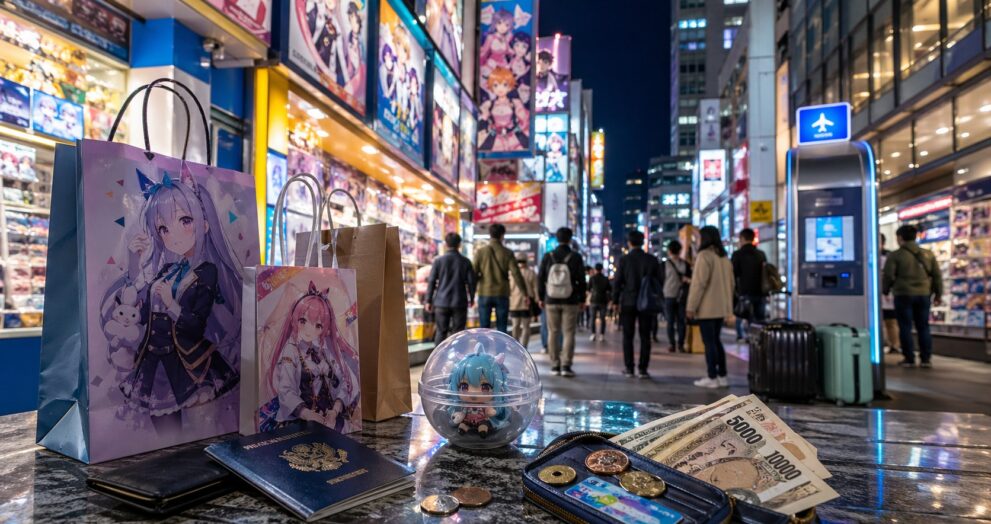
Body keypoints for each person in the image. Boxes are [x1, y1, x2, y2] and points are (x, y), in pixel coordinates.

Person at [883, 225, 944, 368]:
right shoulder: (927, 254)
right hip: (923, 294)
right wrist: (938, 294)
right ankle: (925, 359)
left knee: (905, 326)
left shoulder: (896, 255)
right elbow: (937, 276)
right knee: (923, 326)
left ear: (900, 238)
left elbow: (889, 275)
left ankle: (909, 358)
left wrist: (885, 290)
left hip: (903, 294)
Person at [611, 230, 662, 379]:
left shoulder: (624, 260)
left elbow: (618, 282)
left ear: (629, 243)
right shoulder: (652, 260)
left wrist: (615, 301)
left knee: (628, 336)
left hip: (629, 301)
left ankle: (629, 368)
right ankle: (643, 369)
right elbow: (659, 281)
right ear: (643, 242)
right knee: (646, 336)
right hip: (647, 302)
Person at [688, 226, 734, 389]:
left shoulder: (704, 256)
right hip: (721, 307)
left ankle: (711, 376)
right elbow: (731, 284)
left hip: (707, 307)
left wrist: (691, 306)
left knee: (709, 342)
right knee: (716, 341)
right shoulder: (723, 257)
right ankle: (722, 375)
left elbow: (699, 284)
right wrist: (729, 309)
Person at [538, 227, 587, 377]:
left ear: (557, 239)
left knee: (553, 332)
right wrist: (582, 299)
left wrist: (541, 297)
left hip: (551, 299)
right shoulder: (576, 256)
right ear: (570, 239)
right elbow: (581, 280)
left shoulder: (548, 256)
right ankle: (566, 365)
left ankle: (555, 365)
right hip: (570, 300)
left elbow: (540, 278)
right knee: (569, 332)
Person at [473, 223, 528, 333]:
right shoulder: (507, 253)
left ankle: (485, 349)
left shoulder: (480, 252)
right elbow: (516, 273)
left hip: (484, 292)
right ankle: (500, 350)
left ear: (490, 235)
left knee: (484, 327)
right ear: (502, 235)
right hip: (502, 293)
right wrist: (524, 292)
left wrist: (472, 292)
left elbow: (474, 273)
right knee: (502, 327)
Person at [426, 233, 477, 345]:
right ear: (460, 244)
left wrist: (428, 300)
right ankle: (457, 360)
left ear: (445, 244)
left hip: (441, 302)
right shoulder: (465, 262)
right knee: (458, 333)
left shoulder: (438, 261)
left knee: (441, 331)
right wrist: (472, 298)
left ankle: (438, 360)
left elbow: (432, 281)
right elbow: (471, 282)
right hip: (459, 302)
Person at [731, 228, 767, 342]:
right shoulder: (761, 254)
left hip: (744, 291)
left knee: (741, 314)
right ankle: (757, 337)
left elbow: (734, 273)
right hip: (760, 291)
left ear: (742, 238)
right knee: (759, 317)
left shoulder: (737, 254)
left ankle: (741, 336)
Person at [662, 240, 690, 352]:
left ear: (669, 251)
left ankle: (671, 344)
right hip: (681, 296)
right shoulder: (685, 264)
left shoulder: (664, 265)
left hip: (668, 295)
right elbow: (690, 279)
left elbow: (661, 280)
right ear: (680, 250)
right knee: (681, 321)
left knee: (670, 321)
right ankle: (681, 344)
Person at [509, 253, 538, 348]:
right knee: (526, 327)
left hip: (514, 303)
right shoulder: (531, 272)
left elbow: (509, 289)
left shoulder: (511, 273)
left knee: (515, 326)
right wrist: (537, 300)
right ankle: (524, 347)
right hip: (527, 303)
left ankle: (516, 347)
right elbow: (535, 288)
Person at [880, 234, 900, 355]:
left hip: (887, 294)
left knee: (891, 321)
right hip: (877, 294)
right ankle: (885, 343)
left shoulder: (889, 256)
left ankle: (895, 344)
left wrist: (888, 290)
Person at [587, 263, 611, 341]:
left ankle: (593, 334)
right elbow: (609, 289)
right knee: (602, 318)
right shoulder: (605, 278)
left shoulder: (592, 278)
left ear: (595, 269)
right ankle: (602, 335)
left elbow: (588, 289)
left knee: (593, 318)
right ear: (602, 269)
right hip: (603, 300)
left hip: (594, 300)